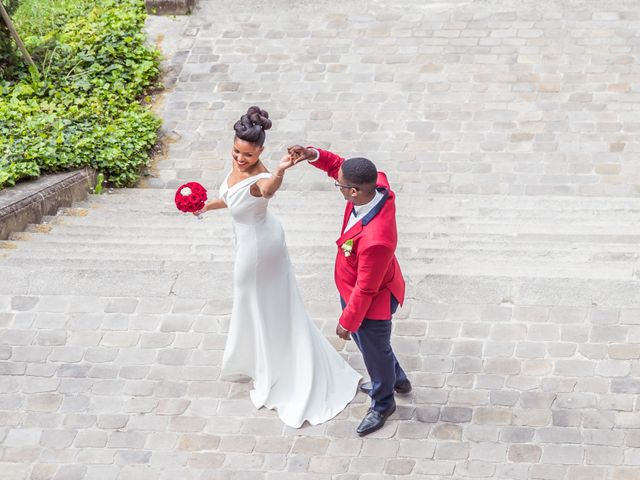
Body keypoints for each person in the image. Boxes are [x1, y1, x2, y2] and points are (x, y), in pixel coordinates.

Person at [194, 107, 360, 428]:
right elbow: (229, 198)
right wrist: (203, 206)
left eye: (247, 154)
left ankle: (273, 364)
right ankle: (262, 356)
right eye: (236, 152)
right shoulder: (237, 167)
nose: (240, 159)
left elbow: (266, 190)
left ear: (260, 152)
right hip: (256, 237)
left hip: (259, 247)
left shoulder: (260, 178)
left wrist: (281, 171)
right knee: (258, 302)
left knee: (255, 300)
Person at [288, 144, 411, 436]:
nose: (337, 185)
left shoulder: (376, 239)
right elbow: (341, 166)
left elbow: (367, 288)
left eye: (339, 185)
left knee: (373, 352)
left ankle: (383, 403)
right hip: (359, 289)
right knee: (376, 347)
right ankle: (399, 380)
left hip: (370, 303)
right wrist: (312, 155)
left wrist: (348, 322)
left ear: (353, 192)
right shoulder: (376, 183)